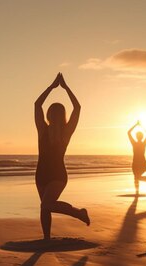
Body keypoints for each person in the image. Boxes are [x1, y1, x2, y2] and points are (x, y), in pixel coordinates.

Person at [34, 73, 89, 240]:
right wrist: (59, 88)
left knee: (46, 204)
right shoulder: (43, 129)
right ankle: (47, 238)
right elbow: (37, 105)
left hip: (57, 175)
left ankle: (78, 212)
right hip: (41, 174)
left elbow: (77, 108)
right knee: (45, 208)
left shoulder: (66, 132)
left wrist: (57, 88)